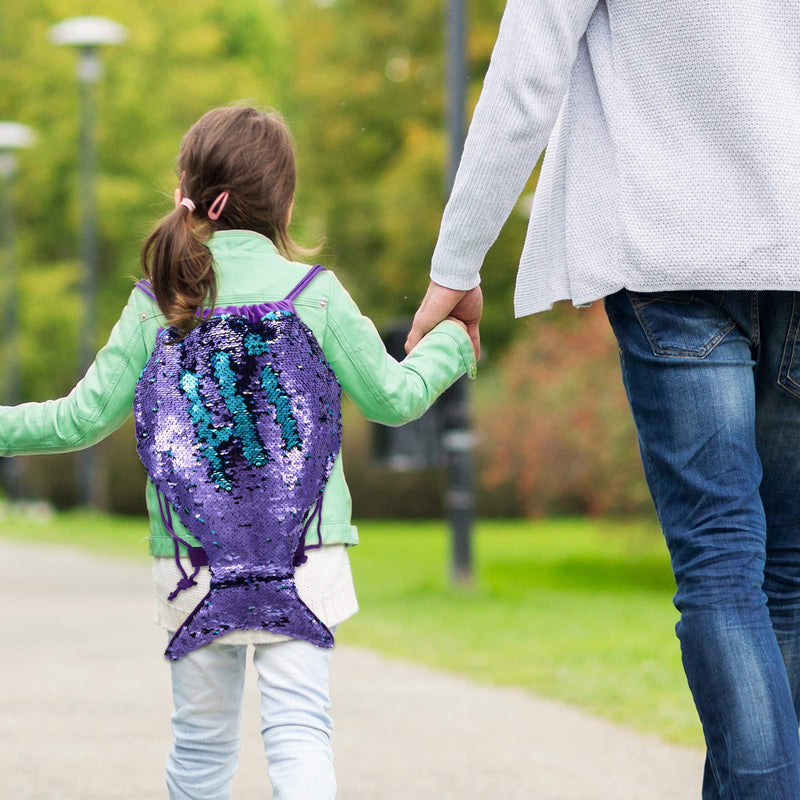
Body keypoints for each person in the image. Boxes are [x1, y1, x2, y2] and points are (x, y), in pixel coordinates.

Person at [0, 105, 476, 800]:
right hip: (305, 558)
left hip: (192, 565)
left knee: (199, 747)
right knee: (300, 734)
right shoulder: (315, 297)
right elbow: (393, 400)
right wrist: (453, 345)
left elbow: (78, 421)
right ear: (284, 200)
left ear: (190, 194)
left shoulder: (157, 303)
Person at [406, 2, 800, 798]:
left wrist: (457, 264)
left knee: (725, 567)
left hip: (668, 249)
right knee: (786, 575)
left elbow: (525, 78)